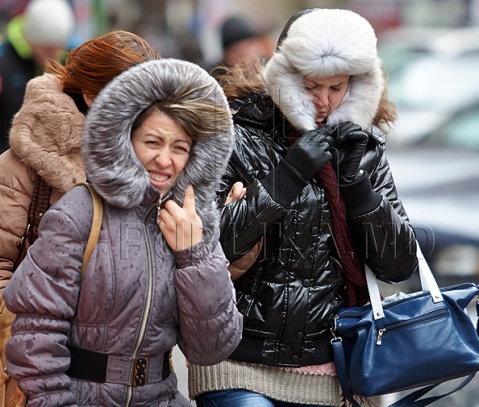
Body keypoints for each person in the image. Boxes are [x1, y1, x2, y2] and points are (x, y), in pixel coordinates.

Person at [188, 8, 419, 407]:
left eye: (337, 87)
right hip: (238, 360)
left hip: (336, 371)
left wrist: (357, 186)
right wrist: (289, 173)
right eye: (312, 85)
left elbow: (399, 266)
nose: (323, 102)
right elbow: (208, 245)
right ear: (286, 75)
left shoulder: (363, 150)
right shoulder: (235, 133)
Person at [3, 57, 243, 406]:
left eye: (179, 148)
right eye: (153, 142)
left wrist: (194, 255)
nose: (165, 160)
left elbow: (211, 348)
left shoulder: (191, 223)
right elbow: (37, 333)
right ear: (125, 142)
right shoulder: (80, 211)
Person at [0, 30, 160, 327]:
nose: (145, 113)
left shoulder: (157, 161)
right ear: (92, 95)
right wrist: (30, 347)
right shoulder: (29, 162)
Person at [0, 0, 75, 177]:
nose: (52, 55)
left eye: (57, 47)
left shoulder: (71, 62)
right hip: (4, 169)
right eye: (46, 48)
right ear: (29, 38)